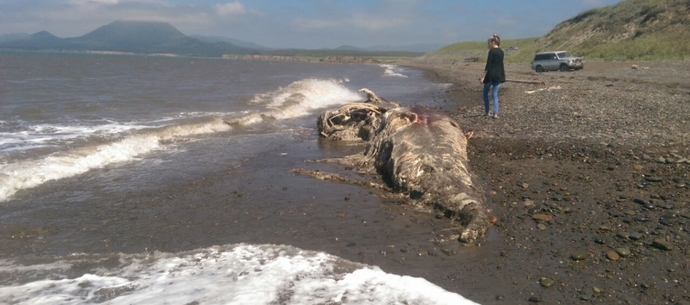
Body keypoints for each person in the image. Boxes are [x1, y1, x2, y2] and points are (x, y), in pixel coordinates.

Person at [479, 34, 505, 119]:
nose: (488, 44)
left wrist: (483, 77)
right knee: (495, 94)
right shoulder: (501, 52)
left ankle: (487, 111)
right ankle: (495, 113)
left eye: (489, 42)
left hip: (490, 75)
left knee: (485, 93)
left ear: (493, 42)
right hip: (498, 75)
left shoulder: (492, 51)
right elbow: (500, 65)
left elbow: (488, 65)